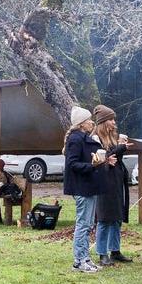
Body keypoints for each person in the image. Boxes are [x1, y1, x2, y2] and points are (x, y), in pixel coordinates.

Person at [92, 105, 133, 265]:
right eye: (111, 119)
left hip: (115, 181)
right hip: (103, 181)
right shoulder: (96, 139)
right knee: (104, 218)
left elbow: (115, 158)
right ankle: (102, 253)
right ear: (103, 122)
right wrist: (120, 148)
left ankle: (115, 250)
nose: (114, 122)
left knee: (116, 217)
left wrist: (120, 147)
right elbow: (101, 159)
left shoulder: (112, 138)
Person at [63, 106, 101, 273]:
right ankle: (79, 260)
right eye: (88, 120)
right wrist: (91, 166)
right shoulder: (75, 139)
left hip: (88, 186)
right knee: (83, 224)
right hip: (81, 187)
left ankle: (85, 258)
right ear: (81, 123)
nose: (91, 122)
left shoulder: (83, 138)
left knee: (88, 223)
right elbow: (72, 164)